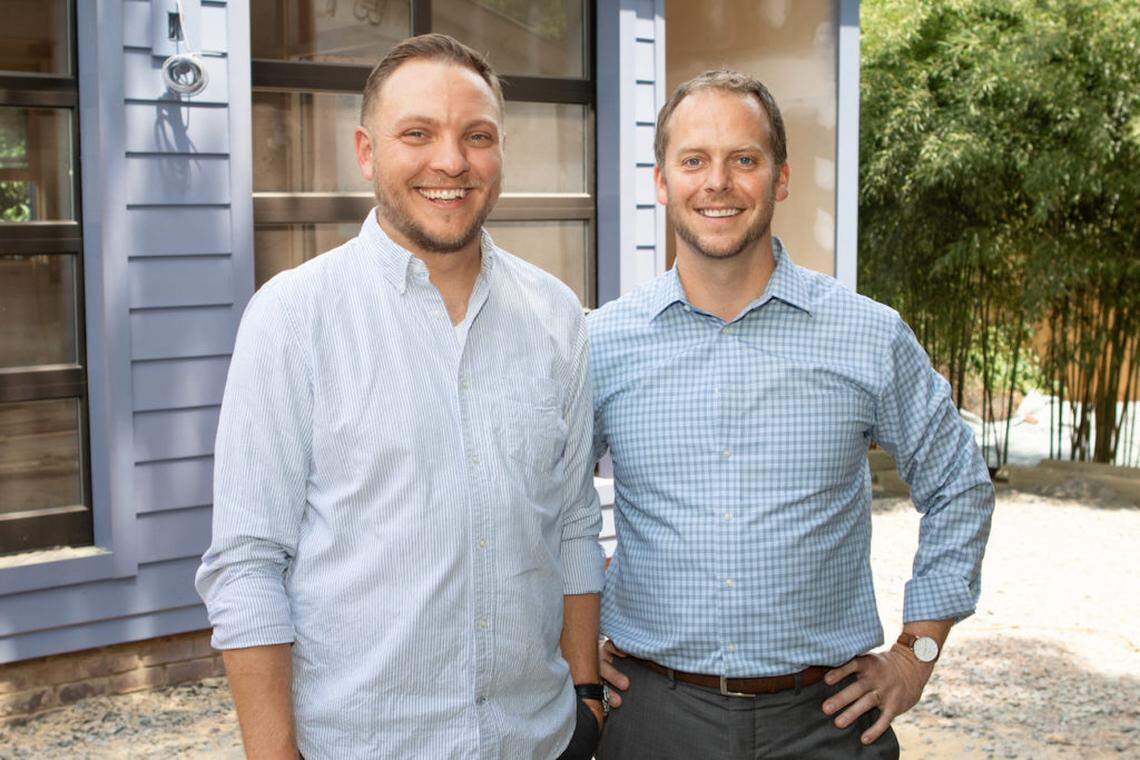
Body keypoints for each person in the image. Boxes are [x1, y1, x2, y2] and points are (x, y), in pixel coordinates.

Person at [195, 34, 606, 760]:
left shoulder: (556, 315)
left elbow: (572, 521)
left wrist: (586, 694)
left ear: (500, 151)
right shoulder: (293, 318)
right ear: (367, 152)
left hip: (537, 740)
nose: (451, 161)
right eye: (417, 134)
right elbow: (248, 563)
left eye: (477, 136)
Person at [589, 69, 995, 759]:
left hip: (825, 723)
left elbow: (958, 484)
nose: (718, 183)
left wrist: (916, 652)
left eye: (744, 160)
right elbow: (541, 504)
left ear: (779, 179)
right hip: (654, 717)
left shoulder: (868, 336)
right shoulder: (602, 343)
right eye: (694, 160)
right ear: (661, 181)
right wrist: (573, 647)